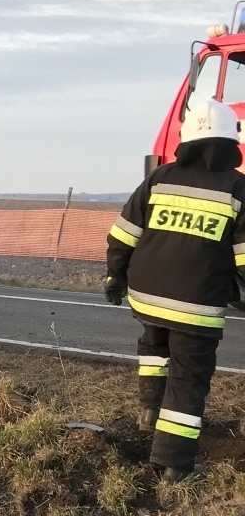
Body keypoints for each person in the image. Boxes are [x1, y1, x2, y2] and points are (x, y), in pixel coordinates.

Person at [105, 98, 245, 482]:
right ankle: (174, 463)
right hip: (197, 306)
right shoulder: (238, 188)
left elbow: (123, 233)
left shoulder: (160, 177)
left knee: (155, 346)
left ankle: (150, 411)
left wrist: (115, 276)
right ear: (230, 141)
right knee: (188, 377)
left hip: (146, 295)